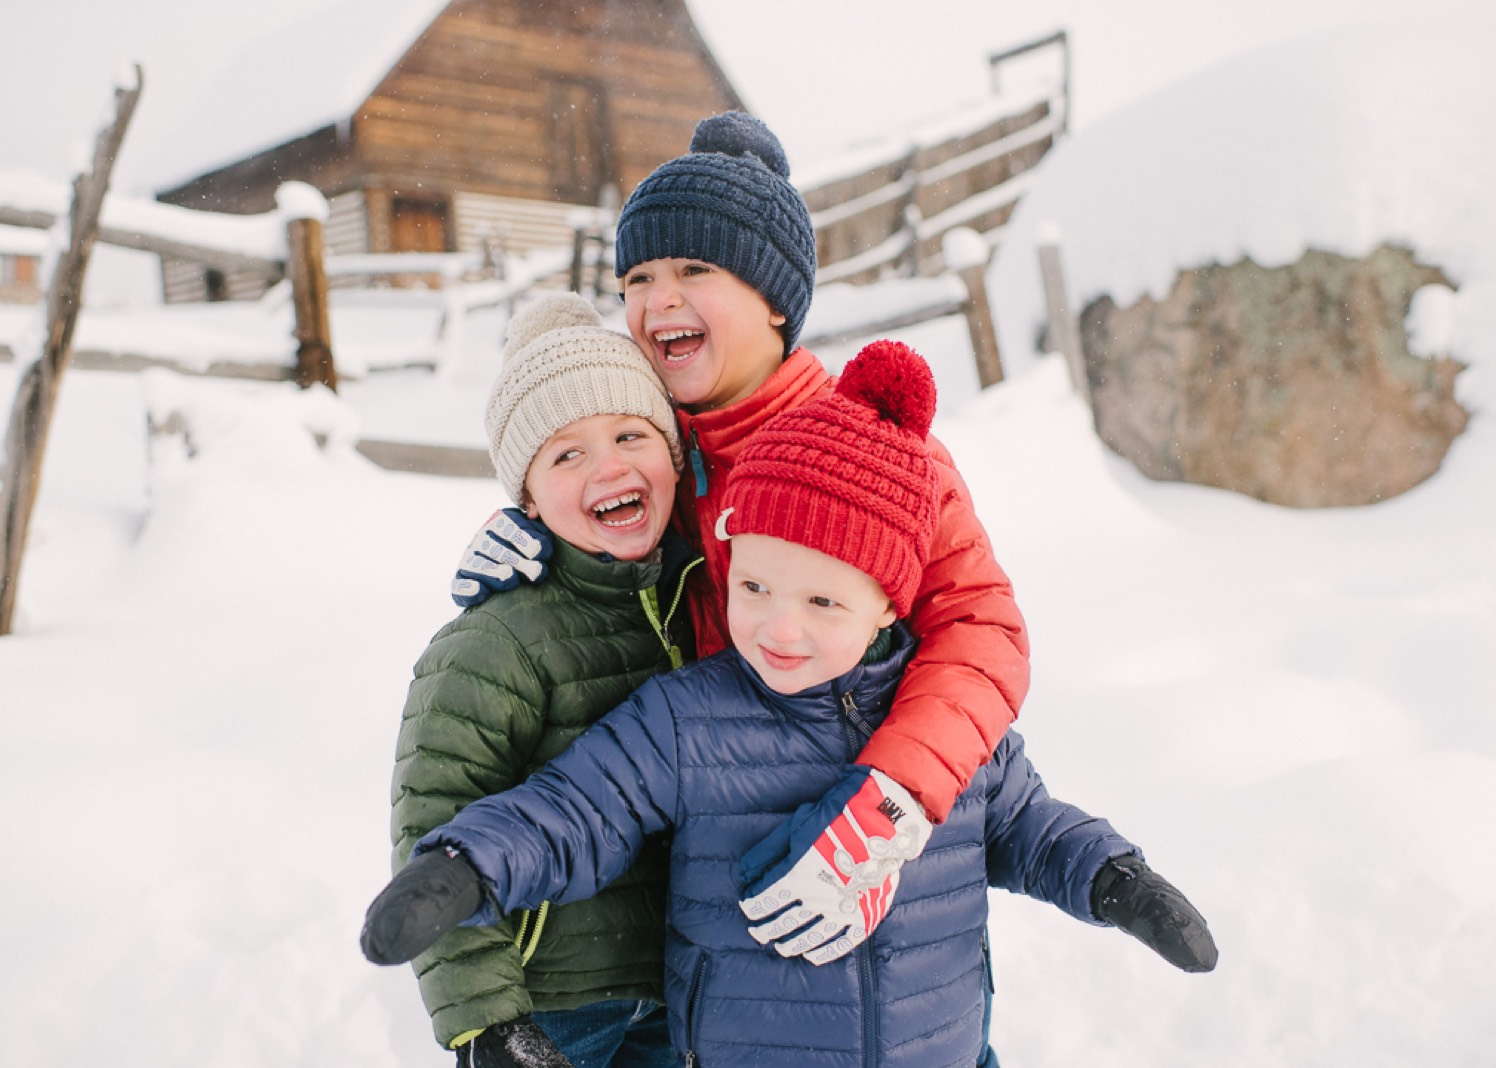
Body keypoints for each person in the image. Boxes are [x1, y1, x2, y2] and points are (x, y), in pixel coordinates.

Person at [363, 341, 1217, 1068]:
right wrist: (464, 868)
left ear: (890, 603)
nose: (777, 628)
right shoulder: (689, 717)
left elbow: (1028, 826)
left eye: (821, 603)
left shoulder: (943, 724)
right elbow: (575, 810)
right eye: (756, 584)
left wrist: (1118, 881)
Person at [450, 110, 1035, 1063]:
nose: (654, 300)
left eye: (691, 272)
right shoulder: (655, 455)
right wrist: (533, 530)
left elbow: (983, 633)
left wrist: (892, 799)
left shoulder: (872, 449)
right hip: (720, 938)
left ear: (772, 298)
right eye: (635, 278)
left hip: (892, 936)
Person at [388, 292, 699, 1066]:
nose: (610, 465)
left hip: (675, 987)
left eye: (632, 433)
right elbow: (436, 826)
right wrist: (486, 1020)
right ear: (526, 498)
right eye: (566, 454)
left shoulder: (714, 599)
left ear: (673, 455)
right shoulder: (495, 642)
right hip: (553, 1000)